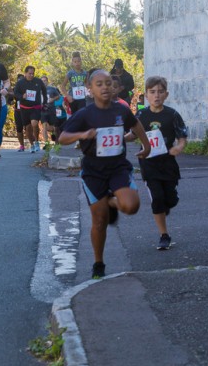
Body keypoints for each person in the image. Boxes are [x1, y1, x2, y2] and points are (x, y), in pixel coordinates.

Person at [58, 69, 150, 279]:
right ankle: (98, 263)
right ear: (90, 89)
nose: (105, 87)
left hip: (118, 167)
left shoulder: (121, 110)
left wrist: (147, 146)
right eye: (99, 84)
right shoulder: (85, 114)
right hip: (94, 171)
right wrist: (83, 134)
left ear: (114, 87)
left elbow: (136, 125)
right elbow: (63, 137)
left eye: (108, 83)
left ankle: (110, 201)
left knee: (131, 206)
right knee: (99, 220)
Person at [125, 76, 188, 250]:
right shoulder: (141, 115)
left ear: (166, 94)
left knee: (170, 200)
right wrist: (120, 139)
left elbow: (182, 136)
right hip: (148, 162)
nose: (156, 95)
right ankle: (164, 235)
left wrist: (178, 147)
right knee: (157, 198)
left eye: (160, 92)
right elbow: (133, 134)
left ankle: (168, 202)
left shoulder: (172, 114)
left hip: (168, 162)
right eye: (152, 92)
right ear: (146, 95)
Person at [14, 66, 47, 153]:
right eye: (29, 73)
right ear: (25, 73)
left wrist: (45, 102)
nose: (31, 75)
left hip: (35, 107)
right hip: (24, 108)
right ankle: (32, 144)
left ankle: (36, 141)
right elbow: (15, 93)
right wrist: (22, 96)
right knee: (28, 128)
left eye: (33, 74)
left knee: (34, 123)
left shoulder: (38, 81)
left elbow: (44, 91)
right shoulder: (20, 83)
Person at [8, 73, 26, 152]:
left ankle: (33, 144)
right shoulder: (15, 89)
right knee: (19, 128)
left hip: (27, 110)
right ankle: (22, 145)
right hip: (18, 111)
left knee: (28, 127)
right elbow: (10, 99)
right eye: (19, 81)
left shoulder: (28, 88)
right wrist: (11, 102)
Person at [41, 75, 61, 144]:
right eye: (42, 81)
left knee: (54, 128)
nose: (43, 82)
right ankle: (46, 144)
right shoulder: (38, 89)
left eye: (45, 81)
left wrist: (53, 99)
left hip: (51, 110)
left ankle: (56, 142)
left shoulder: (52, 89)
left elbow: (58, 96)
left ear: (47, 81)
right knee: (44, 126)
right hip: (43, 110)